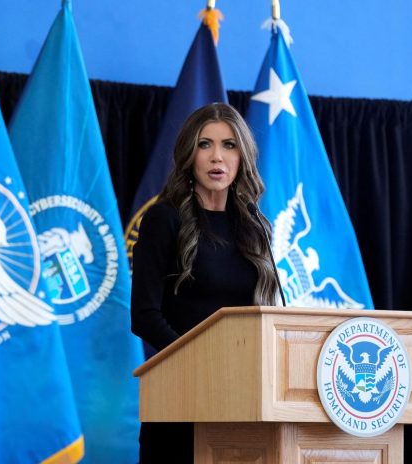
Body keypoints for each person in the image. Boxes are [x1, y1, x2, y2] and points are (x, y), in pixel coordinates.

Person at [131, 102, 279, 462]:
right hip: (179, 394)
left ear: (242, 157)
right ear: (189, 155)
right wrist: (201, 364)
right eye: (205, 144)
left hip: (241, 397)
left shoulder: (254, 225)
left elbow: (263, 311)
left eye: (229, 145)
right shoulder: (164, 218)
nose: (217, 157)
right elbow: (145, 315)